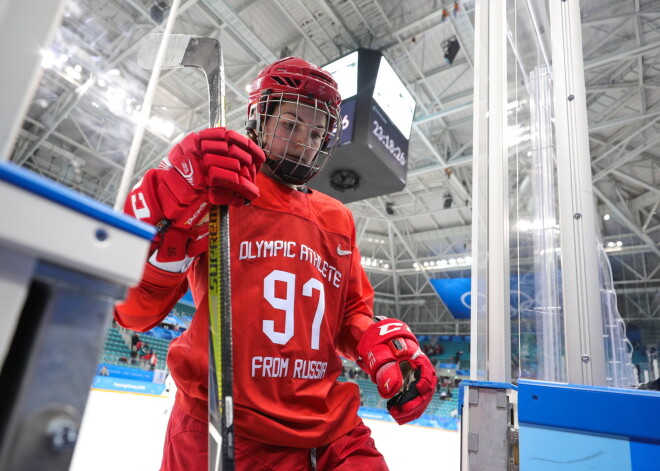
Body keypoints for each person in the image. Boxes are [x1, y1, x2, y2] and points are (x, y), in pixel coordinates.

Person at [114, 57, 437, 471]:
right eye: (290, 124)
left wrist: (378, 345)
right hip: (221, 422)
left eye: (318, 132)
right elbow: (134, 312)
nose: (305, 141)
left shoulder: (338, 218)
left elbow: (349, 316)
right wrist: (166, 212)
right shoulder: (217, 189)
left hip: (329, 426)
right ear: (259, 119)